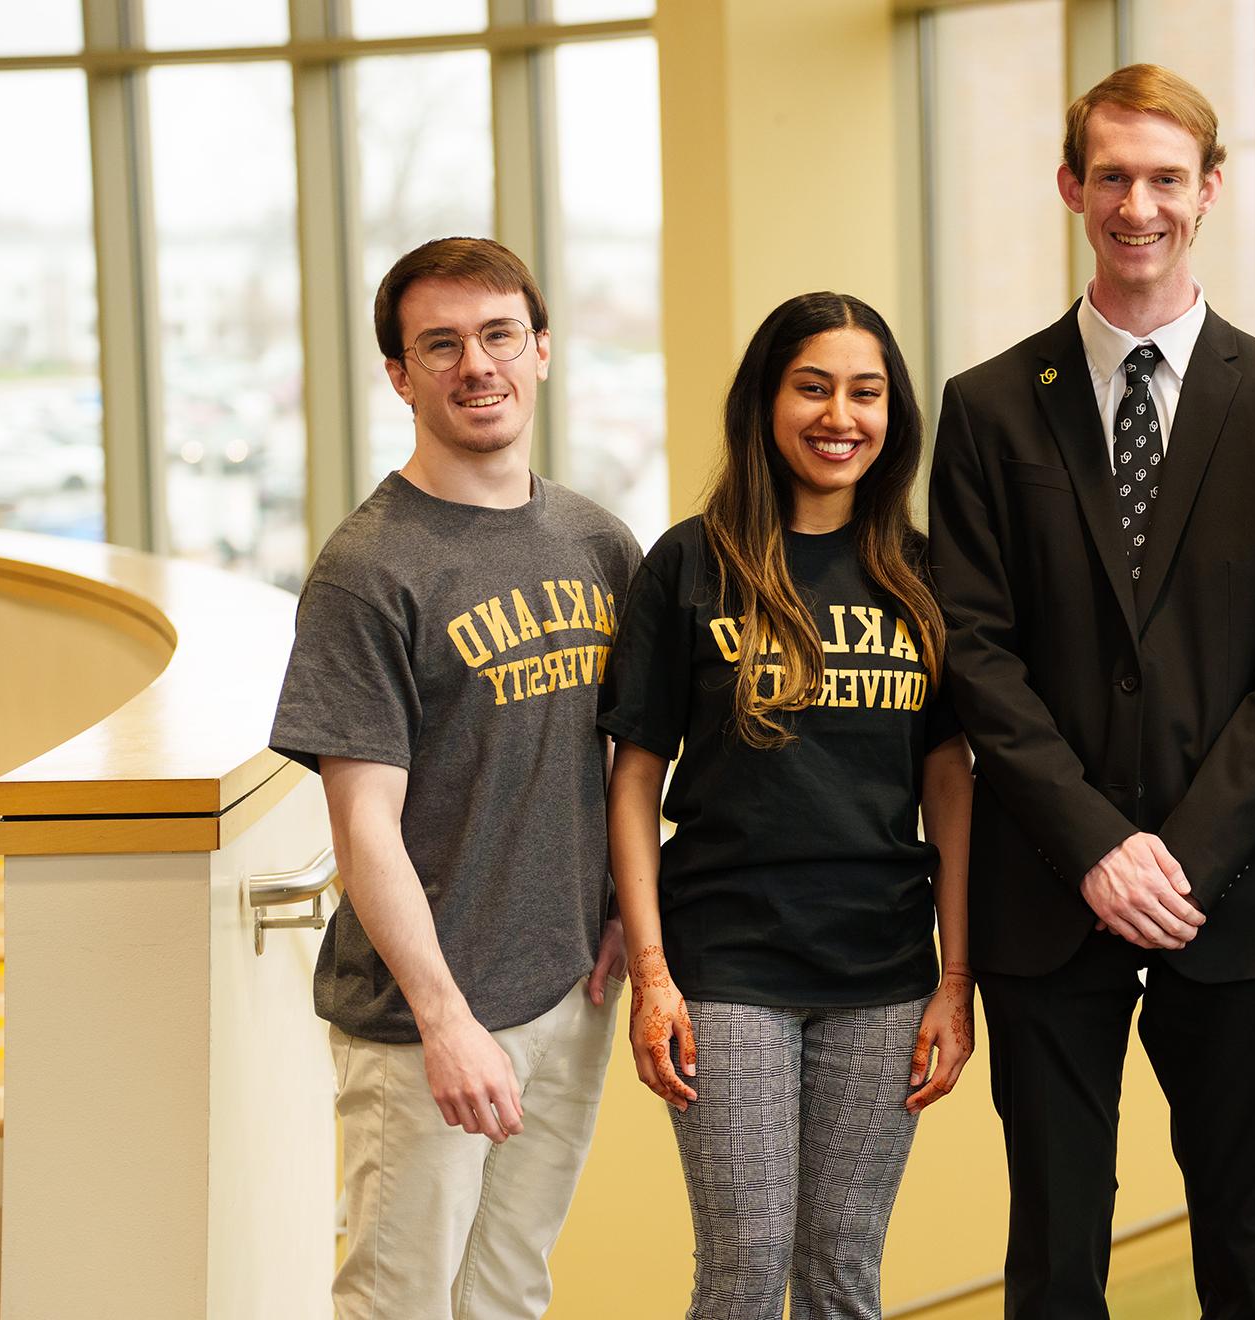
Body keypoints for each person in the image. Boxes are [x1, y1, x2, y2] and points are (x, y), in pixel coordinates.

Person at [926, 63, 1255, 1317]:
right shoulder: (990, 408)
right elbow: (974, 650)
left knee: (1251, 1246)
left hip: (1247, 893)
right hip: (1049, 891)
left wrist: (1182, 854)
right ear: (1072, 187)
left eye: (1166, 177)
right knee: (1055, 1254)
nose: (1138, 204)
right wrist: (1100, 847)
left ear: (1210, 191)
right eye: (1111, 175)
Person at [269, 236, 640, 1320]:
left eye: (497, 336)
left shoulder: (597, 542)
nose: (475, 365)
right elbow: (363, 829)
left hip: (569, 992)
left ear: (542, 350)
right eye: (440, 345)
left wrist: (621, 908)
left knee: (511, 1290)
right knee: (401, 1303)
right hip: (423, 1016)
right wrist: (444, 1020)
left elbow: (620, 760)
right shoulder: (369, 568)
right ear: (400, 375)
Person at [598, 291, 974, 1320]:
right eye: (812, 387)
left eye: (866, 392)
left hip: (885, 969)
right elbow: (633, 777)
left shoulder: (923, 573)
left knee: (845, 1270)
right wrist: (652, 975)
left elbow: (949, 783)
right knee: (744, 1268)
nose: (839, 415)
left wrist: (955, 977)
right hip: (727, 968)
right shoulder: (691, 562)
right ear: (766, 402)